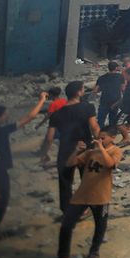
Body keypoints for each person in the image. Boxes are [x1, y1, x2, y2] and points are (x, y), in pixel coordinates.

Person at [53, 127, 122, 258]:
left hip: (101, 196)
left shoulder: (115, 151)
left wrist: (101, 148)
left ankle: (94, 251)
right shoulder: (91, 153)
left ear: (112, 138)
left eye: (103, 138)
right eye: (99, 137)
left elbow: (110, 164)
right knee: (67, 224)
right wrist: (77, 150)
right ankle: (63, 255)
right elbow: (70, 163)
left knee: (100, 226)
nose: (100, 140)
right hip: (82, 194)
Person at [0, 92, 47, 240]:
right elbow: (30, 117)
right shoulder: (1, 132)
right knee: (0, 201)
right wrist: (42, 100)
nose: (7, 116)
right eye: (5, 114)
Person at [43, 81, 99, 212]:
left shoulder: (57, 114)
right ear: (79, 92)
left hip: (66, 149)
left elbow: (49, 137)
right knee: (87, 178)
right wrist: (100, 143)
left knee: (65, 182)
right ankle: (88, 206)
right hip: (84, 147)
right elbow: (94, 127)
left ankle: (67, 210)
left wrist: (44, 153)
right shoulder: (88, 107)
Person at [93, 62, 125, 130]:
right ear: (116, 68)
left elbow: (95, 90)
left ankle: (99, 135)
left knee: (101, 120)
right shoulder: (120, 77)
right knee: (113, 119)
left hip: (104, 100)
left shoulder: (102, 77)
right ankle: (110, 135)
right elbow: (123, 89)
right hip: (115, 101)